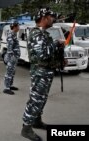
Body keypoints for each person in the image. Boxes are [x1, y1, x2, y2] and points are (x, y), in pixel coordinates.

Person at [21, 7, 65, 141]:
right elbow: (43, 54)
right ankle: (26, 128)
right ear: (44, 17)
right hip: (40, 73)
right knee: (35, 100)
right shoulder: (36, 34)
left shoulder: (44, 34)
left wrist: (60, 60)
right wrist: (57, 44)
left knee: (42, 99)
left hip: (46, 72)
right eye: (52, 17)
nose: (54, 19)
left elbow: (49, 54)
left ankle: (36, 121)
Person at [3, 21, 20, 95]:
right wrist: (12, 57)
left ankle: (10, 85)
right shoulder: (11, 35)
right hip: (11, 57)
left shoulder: (14, 34)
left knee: (12, 72)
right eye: (18, 26)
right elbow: (9, 48)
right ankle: (6, 88)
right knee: (9, 72)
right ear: (15, 27)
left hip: (14, 57)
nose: (19, 28)